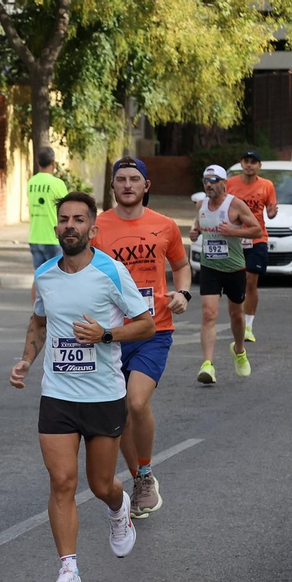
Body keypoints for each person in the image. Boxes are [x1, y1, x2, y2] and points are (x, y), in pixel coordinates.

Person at [9, 191, 152, 582]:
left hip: (104, 395)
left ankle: (118, 505)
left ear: (93, 227)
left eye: (78, 219)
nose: (69, 226)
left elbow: (145, 325)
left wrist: (106, 334)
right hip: (57, 394)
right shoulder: (46, 275)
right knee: (61, 482)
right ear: (55, 227)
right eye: (63, 219)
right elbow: (38, 320)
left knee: (100, 483)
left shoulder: (111, 272)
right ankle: (69, 572)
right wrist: (26, 361)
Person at [92, 157, 189, 518]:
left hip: (153, 329)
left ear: (146, 186)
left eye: (135, 179)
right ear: (113, 186)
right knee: (119, 413)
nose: (128, 185)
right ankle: (138, 478)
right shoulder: (97, 227)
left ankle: (145, 474)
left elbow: (180, 266)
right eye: (121, 179)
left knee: (135, 403)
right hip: (112, 333)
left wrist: (183, 293)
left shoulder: (164, 226)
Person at [189, 163, 262, 386]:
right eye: (205, 181)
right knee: (208, 314)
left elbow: (257, 229)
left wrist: (234, 231)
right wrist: (194, 232)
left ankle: (239, 350)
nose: (208, 185)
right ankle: (208, 365)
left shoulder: (235, 205)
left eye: (213, 181)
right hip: (210, 267)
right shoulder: (201, 205)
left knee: (235, 315)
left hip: (234, 267)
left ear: (223, 183)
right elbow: (198, 226)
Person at [226, 149, 278, 342]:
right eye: (246, 161)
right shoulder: (230, 184)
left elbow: (271, 210)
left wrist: (272, 212)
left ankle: (248, 326)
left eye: (253, 162)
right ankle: (237, 318)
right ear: (241, 163)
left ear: (259, 166)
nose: (249, 165)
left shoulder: (266, 185)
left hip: (257, 238)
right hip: (234, 238)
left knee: (250, 281)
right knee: (236, 282)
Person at [27, 148, 69, 269]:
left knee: (40, 278)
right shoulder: (58, 184)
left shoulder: (31, 182)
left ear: (37, 162)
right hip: (53, 237)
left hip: (35, 237)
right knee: (56, 279)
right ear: (53, 162)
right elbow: (66, 208)